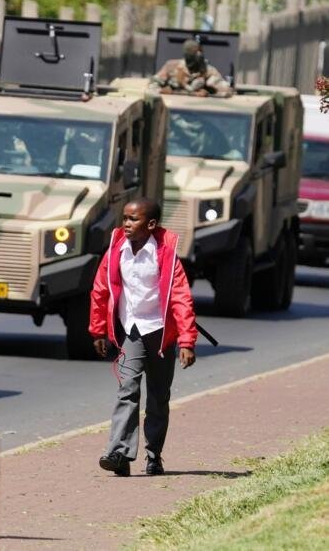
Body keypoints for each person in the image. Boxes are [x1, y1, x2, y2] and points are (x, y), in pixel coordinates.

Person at [88, 197, 198, 477]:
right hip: (132, 331)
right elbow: (100, 290)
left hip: (161, 332)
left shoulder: (165, 253)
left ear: (150, 224)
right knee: (127, 389)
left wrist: (187, 341)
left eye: (133, 219)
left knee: (158, 397)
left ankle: (153, 456)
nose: (126, 224)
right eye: (124, 218)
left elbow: (181, 298)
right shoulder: (116, 250)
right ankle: (119, 454)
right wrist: (98, 329)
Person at [148, 39, 233, 98]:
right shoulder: (172, 66)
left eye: (200, 52)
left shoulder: (209, 71)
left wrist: (209, 92)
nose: (199, 55)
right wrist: (162, 91)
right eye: (195, 52)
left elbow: (228, 91)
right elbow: (152, 85)